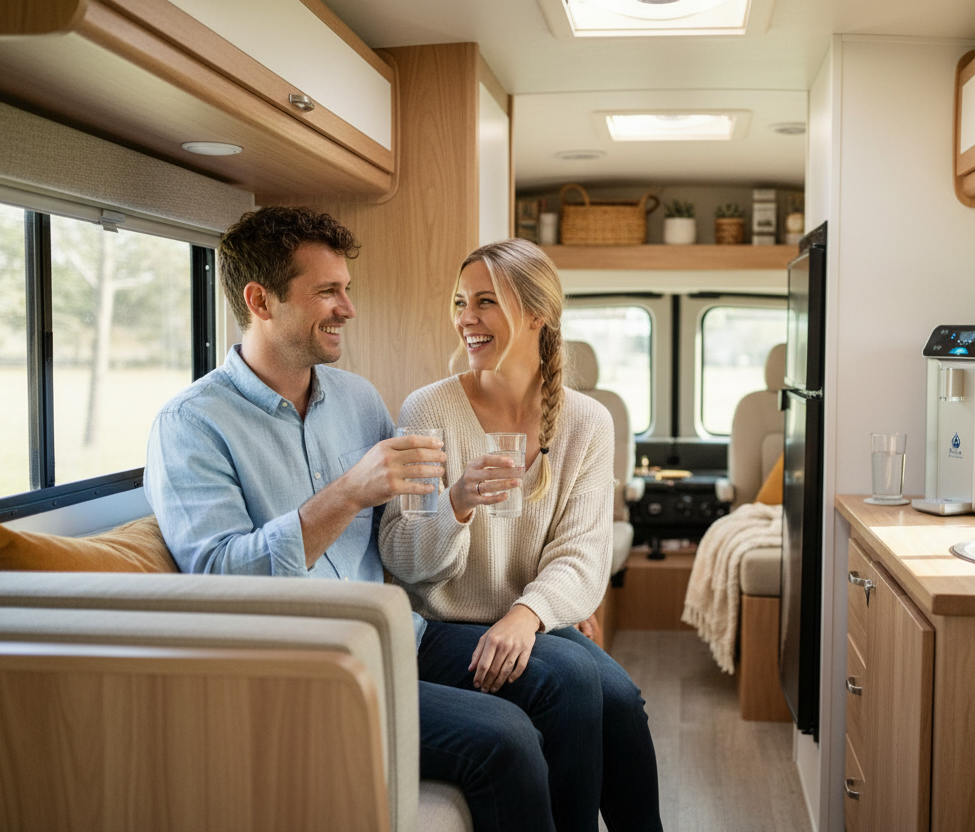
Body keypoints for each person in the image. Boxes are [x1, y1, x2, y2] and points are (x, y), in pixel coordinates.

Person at [144, 206, 587, 832]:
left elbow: (411, 537)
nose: (347, 308)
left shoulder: (358, 400)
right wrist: (347, 493)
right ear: (259, 300)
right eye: (327, 292)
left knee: (563, 680)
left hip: (398, 635)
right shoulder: (190, 425)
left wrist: (549, 599)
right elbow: (217, 575)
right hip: (308, 667)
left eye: (346, 290)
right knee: (507, 737)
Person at [379, 238, 664, 832]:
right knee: (575, 679)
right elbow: (401, 556)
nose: (466, 319)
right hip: (440, 623)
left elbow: (584, 553)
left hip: (528, 619)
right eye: (460, 302)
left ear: (537, 314)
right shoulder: (427, 412)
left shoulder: (587, 421)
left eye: (485, 302)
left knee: (622, 703)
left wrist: (527, 615)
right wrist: (455, 504)